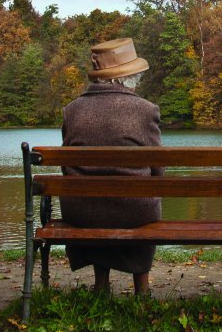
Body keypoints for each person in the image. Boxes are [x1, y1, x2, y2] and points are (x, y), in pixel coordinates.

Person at [59, 37, 163, 295]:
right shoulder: (145, 110)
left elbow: (66, 168)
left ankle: (101, 285)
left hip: (81, 212)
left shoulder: (71, 111)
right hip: (135, 212)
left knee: (95, 200)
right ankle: (142, 288)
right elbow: (158, 171)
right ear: (127, 77)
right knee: (140, 197)